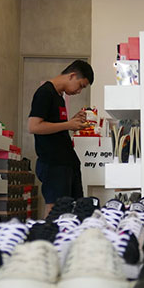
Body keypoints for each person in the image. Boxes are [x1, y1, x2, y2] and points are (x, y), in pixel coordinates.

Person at [28, 60, 94, 216]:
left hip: (66, 162)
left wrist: (71, 121)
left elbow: (55, 126)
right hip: (53, 163)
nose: (79, 91)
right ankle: (50, 238)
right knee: (56, 210)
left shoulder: (59, 96)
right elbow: (34, 126)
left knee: (76, 209)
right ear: (72, 76)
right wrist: (68, 125)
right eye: (81, 86)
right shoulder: (45, 93)